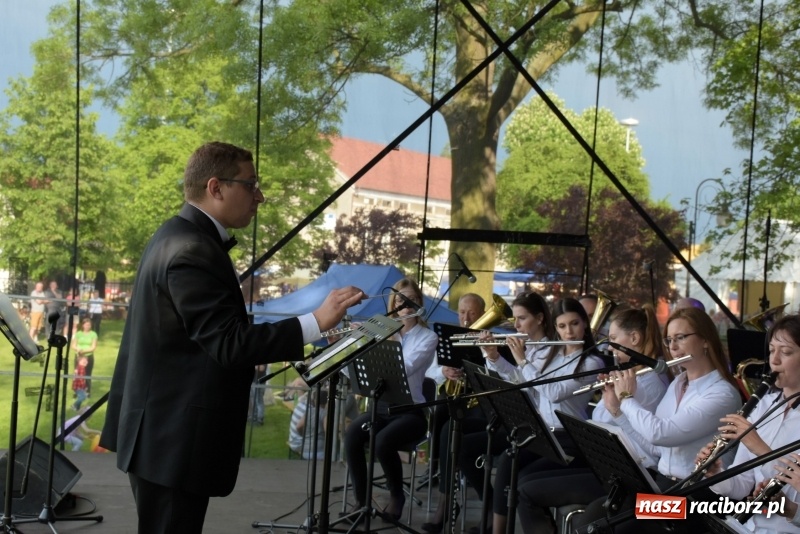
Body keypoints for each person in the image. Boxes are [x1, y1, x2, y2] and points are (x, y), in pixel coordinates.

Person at [99, 141, 364, 534]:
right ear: (216, 187)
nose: (260, 196)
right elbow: (229, 344)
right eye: (251, 184)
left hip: (160, 434)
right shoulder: (192, 249)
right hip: (172, 441)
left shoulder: (175, 235)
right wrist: (316, 321)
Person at [574, 306, 742, 534]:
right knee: (595, 514)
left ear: (705, 340)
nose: (672, 347)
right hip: (664, 486)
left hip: (694, 498)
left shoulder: (722, 393)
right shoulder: (678, 383)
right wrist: (617, 411)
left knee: (609, 527)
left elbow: (662, 433)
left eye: (680, 338)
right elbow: (654, 449)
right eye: (669, 340)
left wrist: (626, 397)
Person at [516, 305, 669, 534]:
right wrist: (609, 397)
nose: (609, 346)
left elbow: (648, 446)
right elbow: (603, 419)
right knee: (525, 482)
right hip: (609, 468)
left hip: (631, 475)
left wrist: (617, 404)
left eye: (614, 338)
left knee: (532, 492)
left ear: (634, 338)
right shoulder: (631, 376)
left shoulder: (648, 384)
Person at [423, 291, 556, 533]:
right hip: (515, 419)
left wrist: (520, 360)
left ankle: (494, 518)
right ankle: (483, 503)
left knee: (494, 453)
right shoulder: (529, 346)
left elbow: (535, 389)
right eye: (514, 319)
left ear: (539, 318)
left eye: (522, 319)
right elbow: (515, 379)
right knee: (453, 434)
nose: (515, 325)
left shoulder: (550, 351)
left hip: (532, 426)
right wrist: (493, 356)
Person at [344, 277, 437, 521]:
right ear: (392, 304)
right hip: (381, 408)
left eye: (411, 300)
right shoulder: (379, 331)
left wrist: (389, 337)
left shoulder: (427, 337)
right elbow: (355, 372)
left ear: (419, 303)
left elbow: (403, 368)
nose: (406, 305)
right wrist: (349, 346)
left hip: (411, 411)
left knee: (383, 441)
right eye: (400, 300)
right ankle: (361, 502)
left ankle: (397, 496)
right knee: (353, 433)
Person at [700, 314, 800, 534]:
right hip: (747, 526)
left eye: (785, 352)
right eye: (772, 350)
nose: (774, 361)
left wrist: (757, 445)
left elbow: (795, 493)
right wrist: (716, 474)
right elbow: (743, 483)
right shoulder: (764, 404)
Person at [288, 388, 328, 460]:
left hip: (295, 441)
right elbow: (327, 432)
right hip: (300, 444)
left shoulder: (303, 404)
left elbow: (299, 426)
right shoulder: (317, 412)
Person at [71, 318, 97, 397]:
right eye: (86, 325)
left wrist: (85, 351)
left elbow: (93, 347)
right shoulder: (78, 334)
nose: (87, 326)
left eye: (89, 325)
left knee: (87, 374)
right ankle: (76, 391)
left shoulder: (93, 334)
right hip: (78, 356)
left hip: (88, 356)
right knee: (77, 373)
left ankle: (87, 391)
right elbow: (73, 345)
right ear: (82, 325)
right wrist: (78, 349)